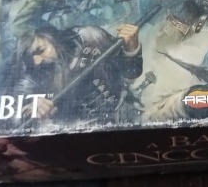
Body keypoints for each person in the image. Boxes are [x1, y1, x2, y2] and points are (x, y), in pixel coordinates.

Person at [14, 24, 142, 122]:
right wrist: (29, 110)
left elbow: (131, 73)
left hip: (126, 109)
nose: (37, 62)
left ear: (54, 39)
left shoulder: (89, 37)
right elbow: (13, 115)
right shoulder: (33, 77)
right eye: (30, 59)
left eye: (41, 50)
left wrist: (131, 49)